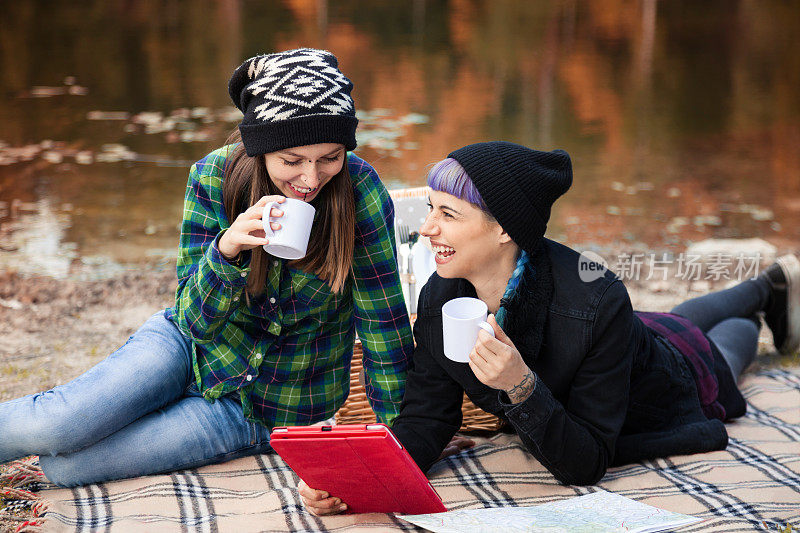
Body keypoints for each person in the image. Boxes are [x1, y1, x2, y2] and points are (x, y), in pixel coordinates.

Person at [300, 140, 799, 515]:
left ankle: (758, 308)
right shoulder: (443, 295)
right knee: (679, 318)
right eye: (430, 209)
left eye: (447, 214)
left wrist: (519, 386)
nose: (427, 228)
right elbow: (429, 420)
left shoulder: (596, 301)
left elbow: (585, 463)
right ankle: (769, 284)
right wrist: (356, 482)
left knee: (722, 349)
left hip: (671, 377)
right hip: (635, 331)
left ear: (503, 230)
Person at [0, 48, 412, 487]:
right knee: (56, 428)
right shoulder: (212, 177)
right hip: (182, 347)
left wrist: (405, 438)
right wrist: (228, 249)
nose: (311, 179)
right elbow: (193, 319)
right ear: (260, 149)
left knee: (68, 466)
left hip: (261, 408)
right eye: (292, 161)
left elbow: (382, 327)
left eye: (330, 157)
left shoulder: (361, 193)